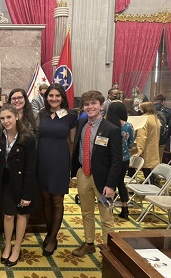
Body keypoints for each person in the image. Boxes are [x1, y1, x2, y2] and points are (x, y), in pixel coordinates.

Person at [71, 90, 122, 256]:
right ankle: (89, 243)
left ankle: (109, 250)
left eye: (94, 103)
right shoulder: (82, 125)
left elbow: (117, 160)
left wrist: (111, 185)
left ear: (101, 106)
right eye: (86, 104)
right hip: (83, 174)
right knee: (86, 212)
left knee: (106, 217)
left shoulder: (111, 129)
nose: (90, 107)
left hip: (103, 180)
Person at [0, 103, 37, 267]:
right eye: (2, 118)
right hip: (5, 180)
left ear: (17, 116)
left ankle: (17, 247)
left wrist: (27, 194)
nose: (6, 121)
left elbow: (31, 168)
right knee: (9, 214)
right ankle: (8, 244)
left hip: (23, 182)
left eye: (9, 117)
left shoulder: (28, 138)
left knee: (21, 214)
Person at [37, 83, 77, 256]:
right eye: (50, 96)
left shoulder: (71, 115)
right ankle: (49, 232)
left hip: (60, 161)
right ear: (46, 98)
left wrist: (69, 167)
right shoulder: (42, 113)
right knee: (45, 199)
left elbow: (72, 142)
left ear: (62, 98)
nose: (53, 99)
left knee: (57, 201)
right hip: (43, 160)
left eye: (57, 96)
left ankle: (52, 238)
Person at [106, 101, 134, 219]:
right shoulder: (128, 126)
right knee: (120, 183)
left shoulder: (107, 125)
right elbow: (131, 144)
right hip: (124, 159)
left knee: (107, 183)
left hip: (109, 159)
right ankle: (125, 209)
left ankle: (108, 209)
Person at [134, 102, 161, 181]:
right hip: (154, 146)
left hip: (146, 147)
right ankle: (152, 183)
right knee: (149, 169)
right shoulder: (155, 118)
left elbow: (141, 136)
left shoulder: (144, 119)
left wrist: (139, 150)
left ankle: (149, 184)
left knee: (145, 169)